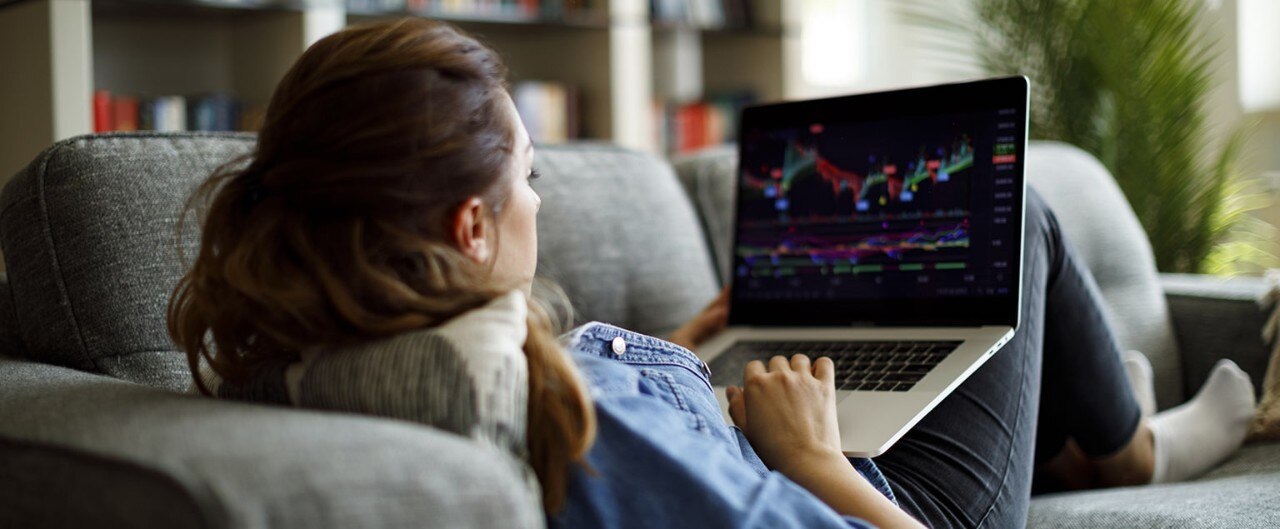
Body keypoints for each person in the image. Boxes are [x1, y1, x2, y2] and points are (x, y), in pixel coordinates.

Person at [167, 18, 1257, 529]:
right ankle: (1127, 450)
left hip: (749, 417)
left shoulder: (318, 350)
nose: (539, 202)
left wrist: (679, 360)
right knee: (1015, 214)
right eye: (529, 180)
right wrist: (812, 458)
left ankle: (1081, 434)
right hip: (885, 500)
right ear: (466, 225)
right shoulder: (576, 420)